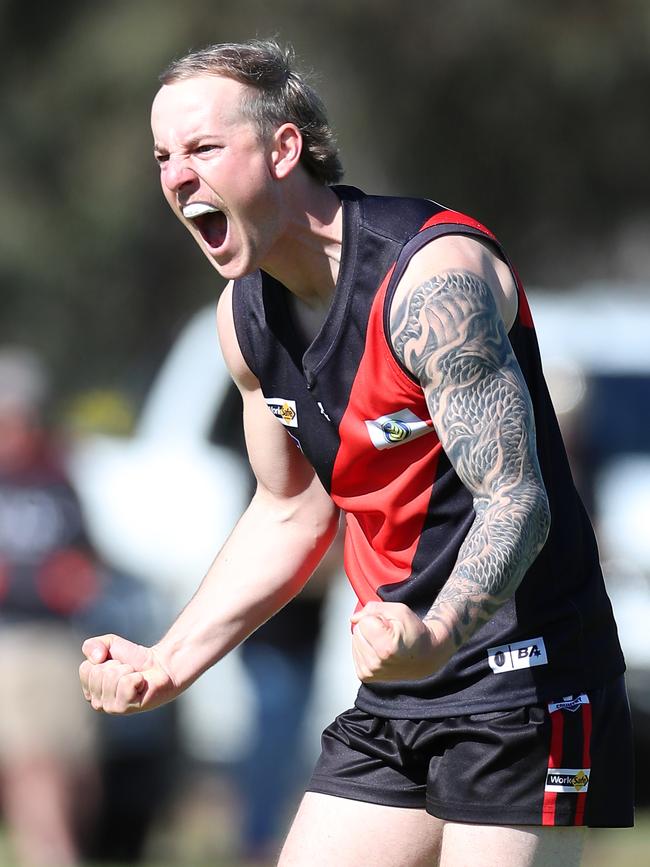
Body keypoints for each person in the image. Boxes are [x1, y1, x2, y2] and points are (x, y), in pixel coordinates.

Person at [79, 40, 634, 867]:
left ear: (283, 148)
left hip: (527, 673)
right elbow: (291, 509)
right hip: (398, 689)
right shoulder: (245, 320)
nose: (175, 176)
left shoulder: (432, 279)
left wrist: (437, 629)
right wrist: (168, 661)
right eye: (163, 156)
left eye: (201, 148)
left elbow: (516, 498)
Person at [0, 347, 100, 866]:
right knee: (30, 762)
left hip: (61, 639)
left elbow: (86, 556)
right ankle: (51, 855)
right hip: (11, 644)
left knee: (73, 766)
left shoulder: (55, 477)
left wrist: (76, 577)